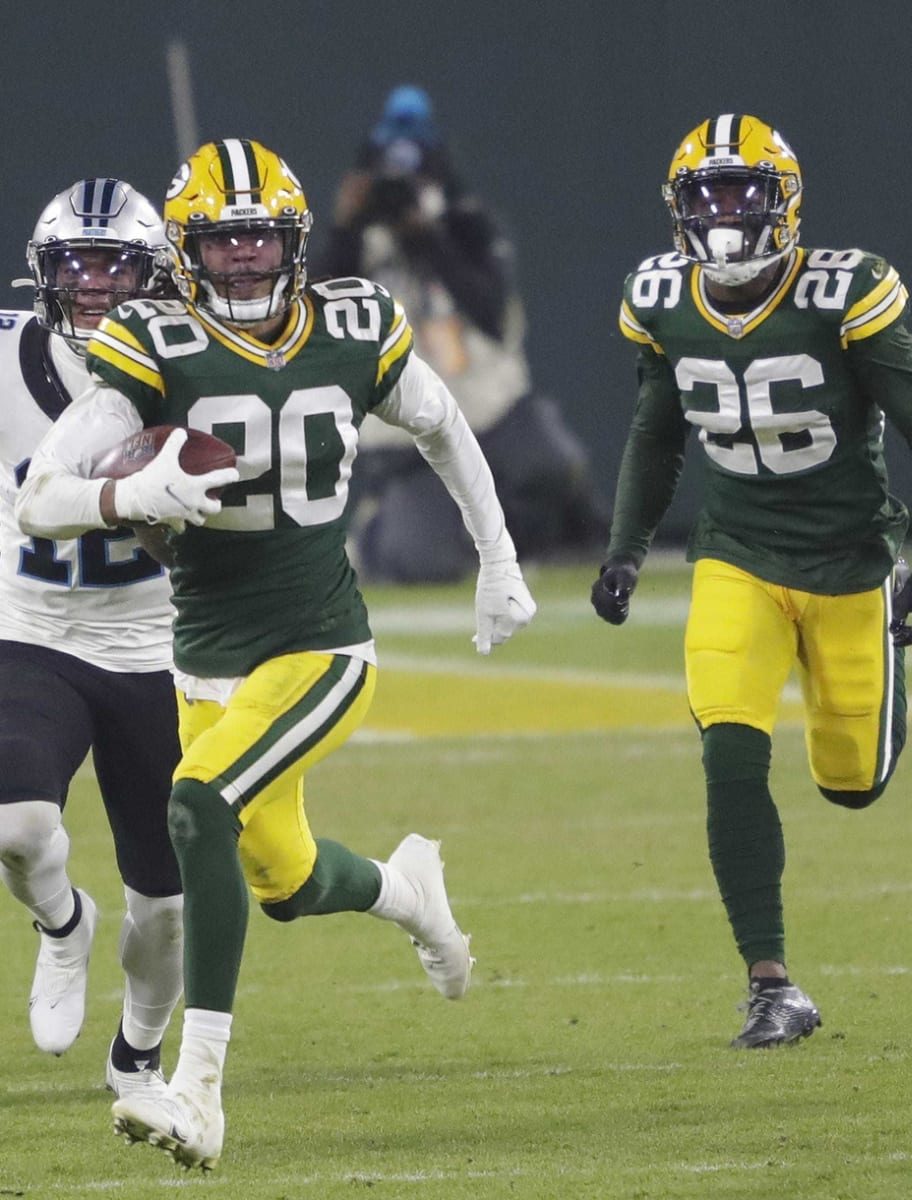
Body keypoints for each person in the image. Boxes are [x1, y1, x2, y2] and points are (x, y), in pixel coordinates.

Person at [17, 138, 536, 1170]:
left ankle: (198, 1094)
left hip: (319, 645)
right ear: (185, 252)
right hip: (202, 657)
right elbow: (42, 495)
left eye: (261, 241)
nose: (246, 263)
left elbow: (441, 426)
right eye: (223, 243)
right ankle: (407, 893)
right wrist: (128, 495)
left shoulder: (352, 322)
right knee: (284, 881)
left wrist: (499, 556)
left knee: (198, 801)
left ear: (292, 243)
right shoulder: (150, 340)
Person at [591, 114, 912, 1048]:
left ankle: (858, 717)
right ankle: (771, 984)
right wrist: (627, 547)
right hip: (736, 555)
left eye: (742, 192)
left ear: (783, 200)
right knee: (729, 751)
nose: (722, 214)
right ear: (678, 209)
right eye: (705, 195)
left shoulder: (844, 292)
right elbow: (654, 431)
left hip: (850, 564)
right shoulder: (663, 297)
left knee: (853, 781)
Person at [0, 178, 184, 1098]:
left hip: (159, 650)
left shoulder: (199, 360)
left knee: (167, 905)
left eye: (116, 265)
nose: (96, 284)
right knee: (20, 827)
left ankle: (140, 1057)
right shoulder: (5, 357)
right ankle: (62, 925)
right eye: (76, 264)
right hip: (32, 631)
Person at [317, 84, 608, 581]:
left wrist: (428, 237)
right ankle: (374, 535)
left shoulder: (467, 225)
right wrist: (347, 226)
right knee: (423, 560)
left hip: (492, 420)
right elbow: (317, 314)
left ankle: (512, 539)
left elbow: (491, 313)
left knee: (556, 468)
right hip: (413, 440)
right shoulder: (354, 244)